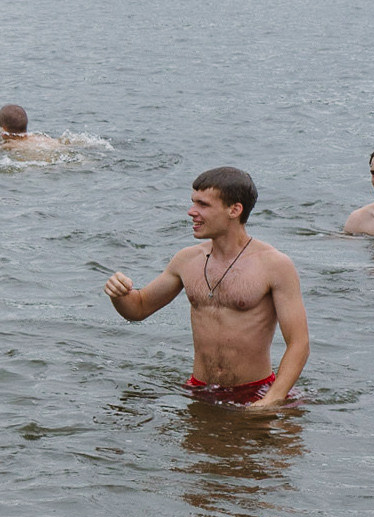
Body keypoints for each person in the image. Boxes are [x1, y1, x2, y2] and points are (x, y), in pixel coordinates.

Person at [105, 167, 310, 411]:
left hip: (255, 391)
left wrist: (272, 399)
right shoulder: (186, 260)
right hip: (199, 389)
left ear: (234, 210)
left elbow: (299, 343)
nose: (192, 212)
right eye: (193, 203)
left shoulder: (275, 265)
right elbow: (138, 309)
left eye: (203, 205)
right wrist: (119, 295)